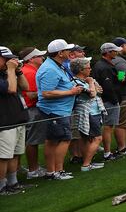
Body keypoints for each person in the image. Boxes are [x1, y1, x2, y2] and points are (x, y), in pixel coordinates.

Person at [37, 39, 80, 180]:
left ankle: (52, 172)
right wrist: (71, 92)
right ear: (60, 53)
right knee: (63, 139)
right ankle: (57, 171)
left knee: (53, 140)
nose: (70, 52)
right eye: (67, 50)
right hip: (55, 111)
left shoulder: (56, 65)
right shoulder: (50, 69)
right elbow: (47, 93)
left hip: (59, 110)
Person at [0, 46, 33, 194]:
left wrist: (18, 71)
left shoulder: (7, 73)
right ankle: (2, 187)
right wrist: (11, 70)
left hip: (17, 119)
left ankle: (13, 183)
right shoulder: (6, 74)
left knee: (15, 153)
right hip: (4, 122)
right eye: (6, 59)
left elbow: (25, 87)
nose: (10, 61)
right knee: (3, 156)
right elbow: (11, 89)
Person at [92, 43, 126, 161]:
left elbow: (116, 80)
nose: (116, 52)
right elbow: (107, 87)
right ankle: (107, 153)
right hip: (109, 100)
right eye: (114, 51)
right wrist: (115, 101)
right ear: (108, 52)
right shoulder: (103, 66)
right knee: (108, 126)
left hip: (109, 99)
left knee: (109, 126)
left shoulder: (108, 64)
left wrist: (120, 77)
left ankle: (107, 152)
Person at [69, 57, 105, 171]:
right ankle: (86, 164)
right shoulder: (76, 82)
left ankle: (87, 163)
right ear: (81, 70)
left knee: (87, 139)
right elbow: (93, 94)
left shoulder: (85, 81)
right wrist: (91, 83)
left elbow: (99, 91)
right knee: (97, 138)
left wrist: (93, 86)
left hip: (93, 111)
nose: (90, 69)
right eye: (88, 68)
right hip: (88, 113)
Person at [18, 47, 47, 179]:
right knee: (32, 141)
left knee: (26, 140)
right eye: (39, 56)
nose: (42, 58)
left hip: (28, 109)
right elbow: (30, 95)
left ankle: (18, 168)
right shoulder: (29, 72)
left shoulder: (29, 70)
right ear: (31, 59)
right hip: (31, 109)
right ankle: (33, 170)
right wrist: (48, 92)